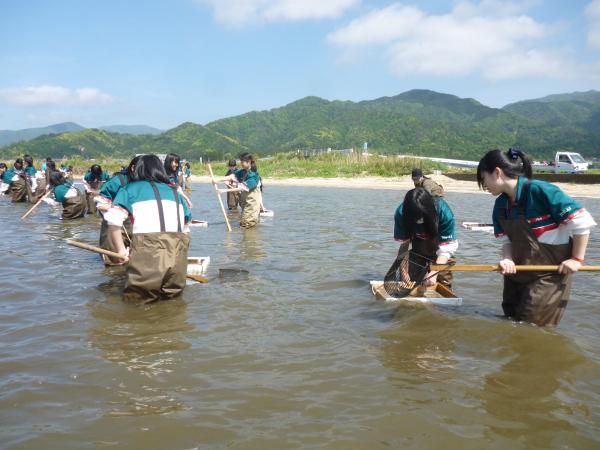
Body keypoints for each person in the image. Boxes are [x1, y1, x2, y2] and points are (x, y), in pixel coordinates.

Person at [477, 147, 596, 326]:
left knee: (531, 325)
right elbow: (507, 240)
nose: (483, 184)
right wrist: (507, 259)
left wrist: (576, 259)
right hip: (516, 273)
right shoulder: (500, 204)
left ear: (497, 172)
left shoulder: (540, 191)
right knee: (510, 322)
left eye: (483, 178)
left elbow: (582, 221)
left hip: (548, 275)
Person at [104, 154, 192, 304]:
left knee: (138, 304)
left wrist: (120, 251)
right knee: (172, 302)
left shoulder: (130, 189)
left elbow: (112, 219)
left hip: (148, 254)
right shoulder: (175, 193)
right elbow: (186, 227)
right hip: (178, 257)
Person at [394, 187, 458, 289]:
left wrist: (434, 271)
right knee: (412, 282)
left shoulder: (444, 213)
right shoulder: (402, 213)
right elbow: (404, 245)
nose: (418, 220)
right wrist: (403, 270)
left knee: (443, 280)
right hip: (418, 245)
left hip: (440, 244)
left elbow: (447, 249)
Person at [96, 156, 140, 265]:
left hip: (134, 225)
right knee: (114, 261)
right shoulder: (118, 181)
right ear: (133, 168)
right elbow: (100, 205)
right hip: (114, 224)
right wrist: (117, 209)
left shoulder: (145, 183)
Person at [220, 153, 262, 228]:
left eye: (243, 162)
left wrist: (224, 190)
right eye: (241, 161)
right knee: (244, 224)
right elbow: (232, 176)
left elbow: (242, 188)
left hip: (251, 205)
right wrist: (218, 180)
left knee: (247, 224)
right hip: (245, 204)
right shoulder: (243, 172)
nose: (241, 163)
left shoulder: (254, 176)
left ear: (249, 162)